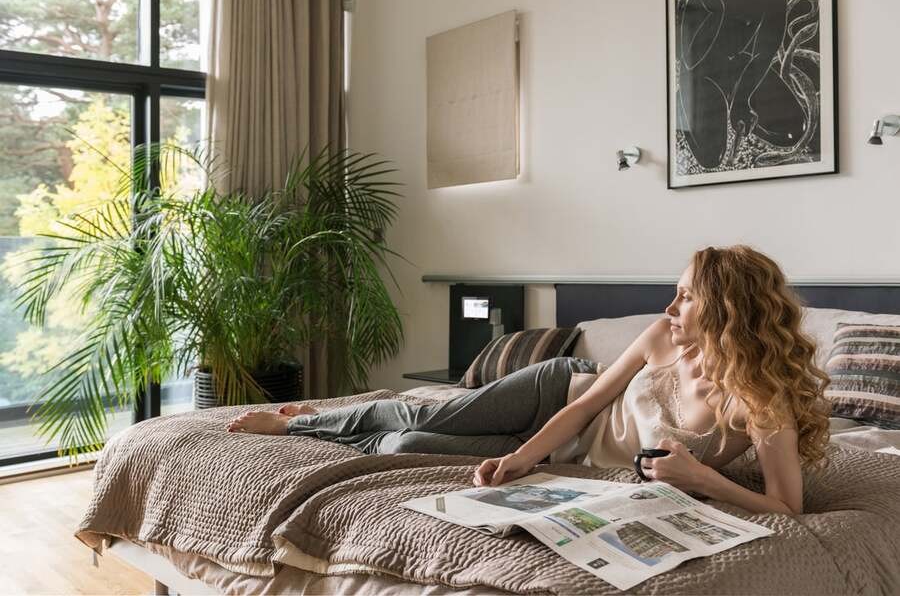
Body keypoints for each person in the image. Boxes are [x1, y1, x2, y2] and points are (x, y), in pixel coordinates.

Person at [226, 245, 831, 515]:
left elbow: (787, 507)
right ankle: (302, 421)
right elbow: (593, 401)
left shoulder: (761, 398)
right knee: (428, 416)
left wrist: (700, 478)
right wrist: (522, 454)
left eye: (684, 297)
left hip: (576, 462)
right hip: (557, 392)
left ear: (725, 310)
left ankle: (330, 431)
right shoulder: (660, 337)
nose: (669, 307)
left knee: (407, 449)